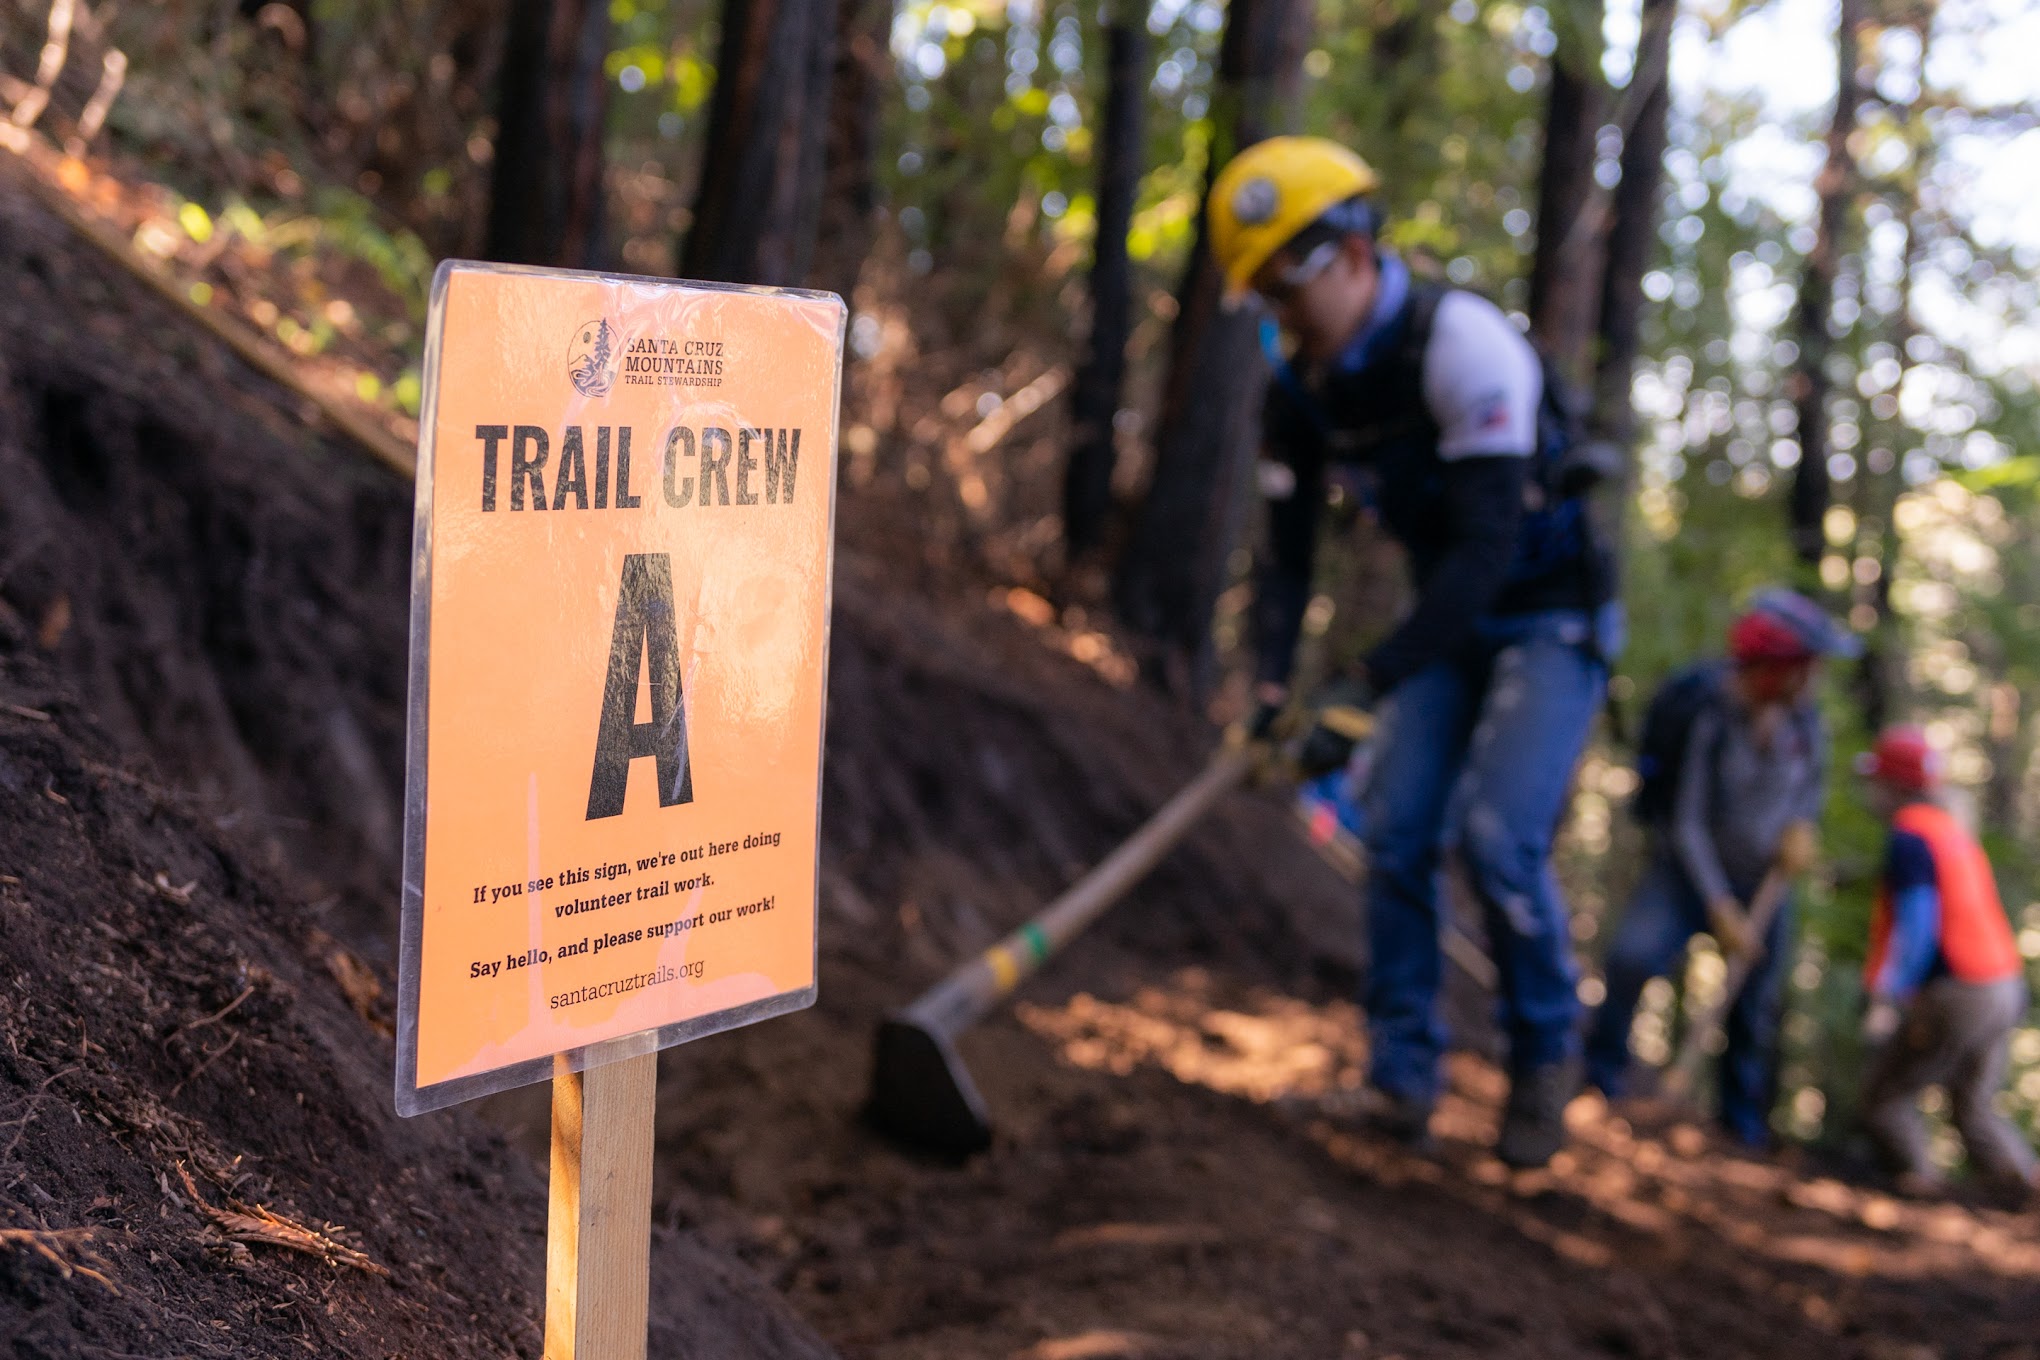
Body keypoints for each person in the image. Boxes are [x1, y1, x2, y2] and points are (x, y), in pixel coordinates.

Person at [1209, 136, 1620, 1167]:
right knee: (1397, 830)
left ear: (1347, 254)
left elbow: (1485, 554)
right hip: (1453, 611)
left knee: (1496, 835)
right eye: (1259, 296)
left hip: (1546, 611)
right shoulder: (1299, 389)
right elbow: (1288, 553)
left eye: (1283, 289)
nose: (1277, 315)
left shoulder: (1465, 347)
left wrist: (1364, 684)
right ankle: (1399, 1079)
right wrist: (1270, 685)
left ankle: (1542, 1058)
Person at [1584, 589, 1854, 1148]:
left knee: (1754, 1003)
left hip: (1764, 884)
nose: (1814, 678)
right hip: (1687, 875)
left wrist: (1802, 827)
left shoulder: (1806, 728)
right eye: (1806, 665)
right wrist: (1718, 904)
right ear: (1775, 667)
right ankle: (1596, 1081)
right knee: (1632, 958)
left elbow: (1810, 793)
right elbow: (1685, 822)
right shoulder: (1709, 716)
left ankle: (1741, 1130)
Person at [1856, 725, 2036, 1198]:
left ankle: (1923, 1200)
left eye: (1876, 781)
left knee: (1884, 1099)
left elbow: (1918, 924)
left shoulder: (1911, 837)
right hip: (2004, 986)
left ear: (1893, 784)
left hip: (1962, 989)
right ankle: (2022, 1190)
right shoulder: (1949, 831)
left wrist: (1889, 994)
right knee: (1974, 1107)